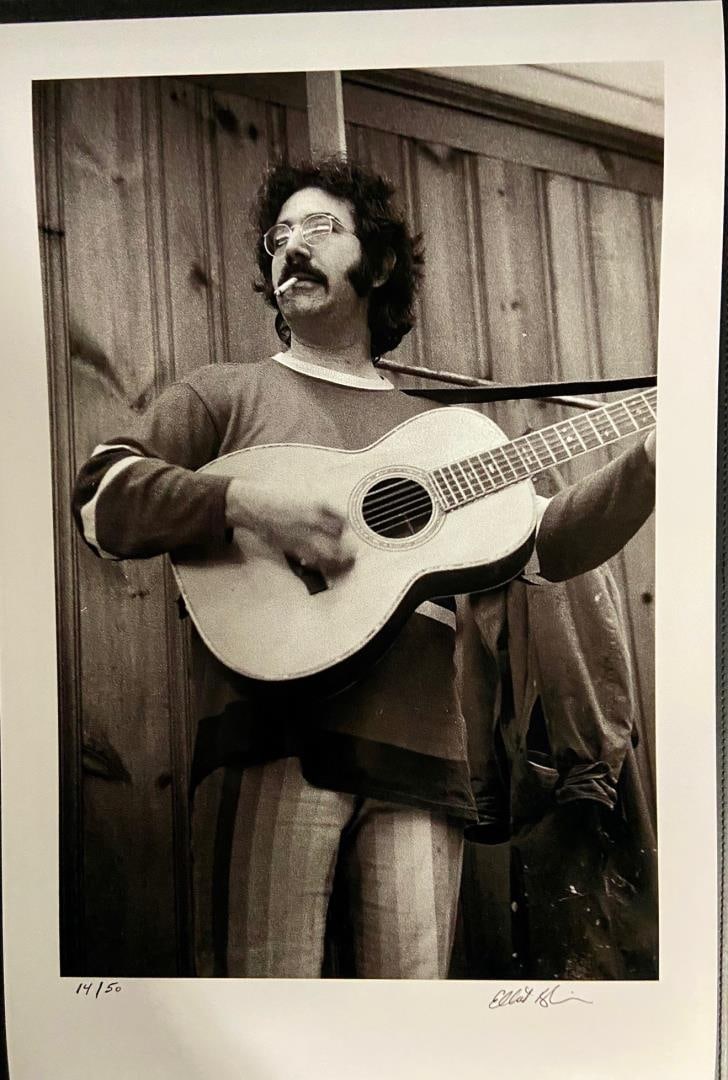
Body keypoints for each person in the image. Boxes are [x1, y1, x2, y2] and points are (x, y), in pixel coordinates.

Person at [73, 156, 656, 979]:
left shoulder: (442, 435)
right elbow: (103, 496)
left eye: (320, 228)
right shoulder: (227, 395)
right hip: (275, 745)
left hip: (424, 763)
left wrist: (656, 460)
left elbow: (547, 547)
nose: (290, 248)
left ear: (378, 264)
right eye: (279, 237)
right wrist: (241, 503)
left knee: (405, 1044)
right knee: (268, 1025)